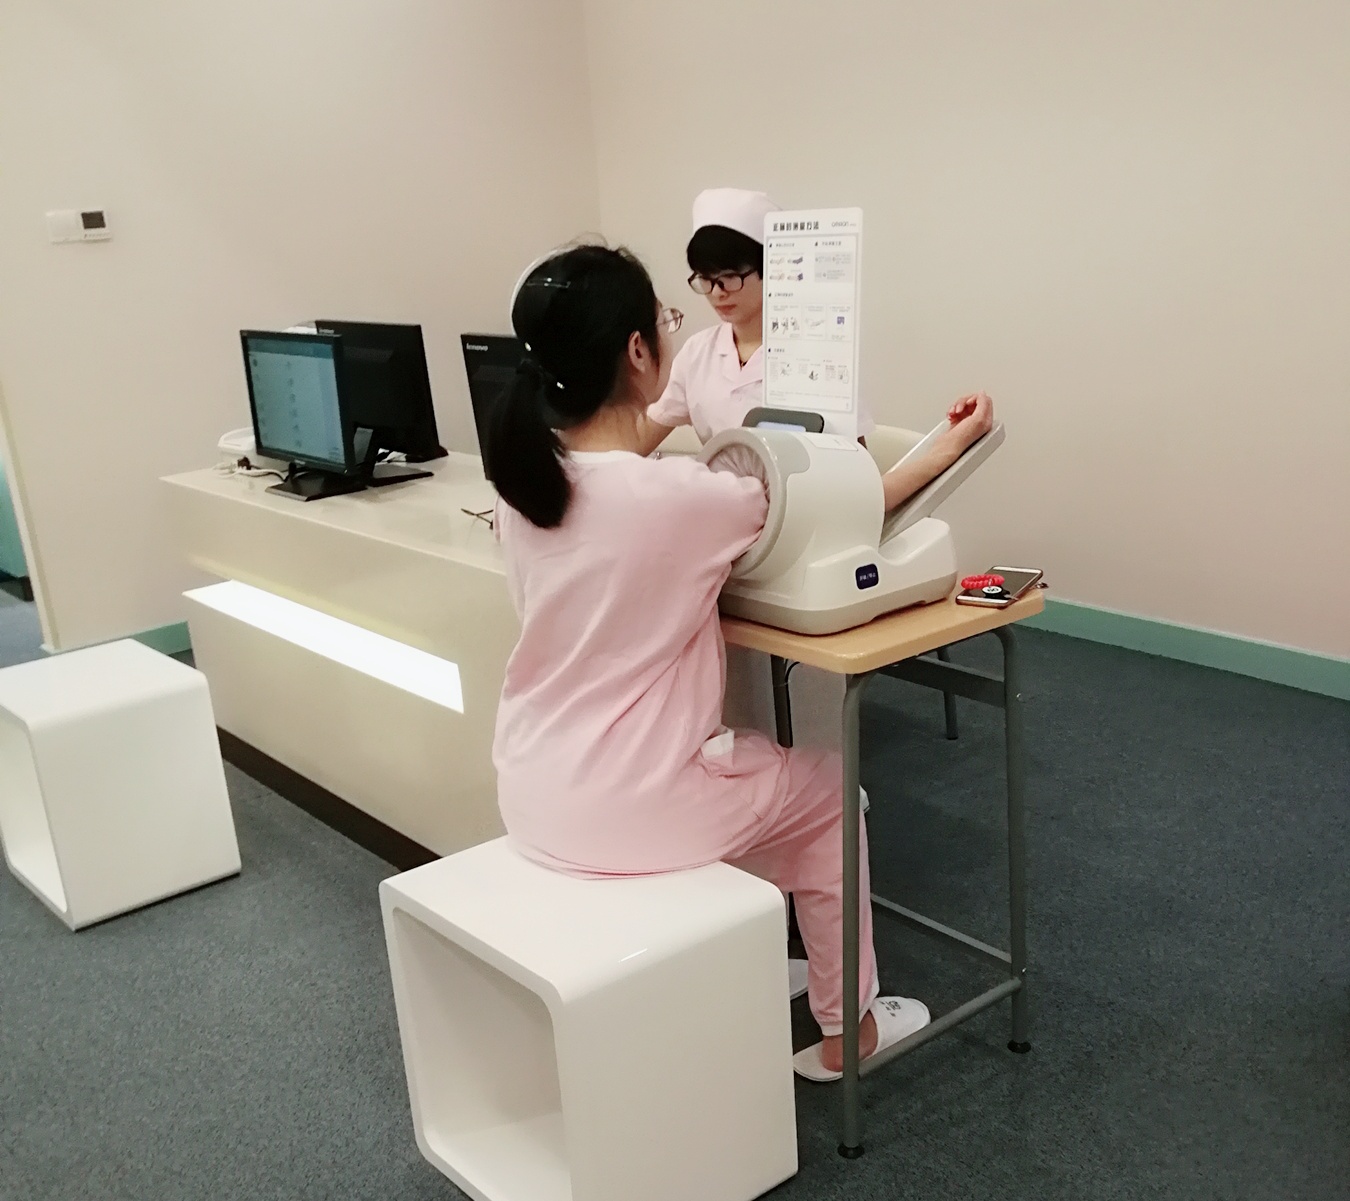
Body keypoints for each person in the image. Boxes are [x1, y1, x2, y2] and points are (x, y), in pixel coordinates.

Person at [486, 242, 991, 1079]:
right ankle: (850, 1028)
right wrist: (953, 442)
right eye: (667, 316)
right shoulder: (675, 496)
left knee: (752, 765)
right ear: (638, 351)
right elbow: (845, 501)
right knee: (830, 792)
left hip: (531, 784)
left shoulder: (523, 485)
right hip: (628, 805)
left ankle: (755, 945)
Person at [636, 186, 993, 488]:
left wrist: (951, 446)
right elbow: (636, 440)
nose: (717, 293)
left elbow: (861, 486)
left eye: (729, 277)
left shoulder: (819, 357)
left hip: (798, 524)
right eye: (705, 279)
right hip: (724, 523)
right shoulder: (698, 353)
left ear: (772, 268)